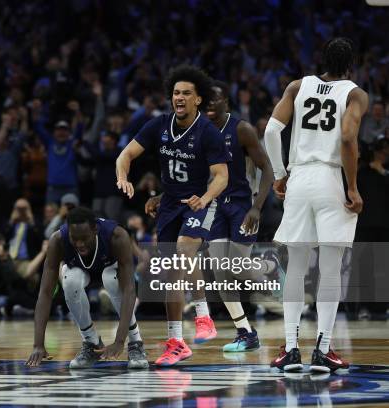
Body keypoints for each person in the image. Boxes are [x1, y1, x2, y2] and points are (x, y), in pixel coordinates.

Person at [264, 38, 368, 372]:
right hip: (329, 178)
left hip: (299, 178)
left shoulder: (298, 86)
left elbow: (270, 131)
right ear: (352, 65)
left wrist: (280, 174)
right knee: (331, 267)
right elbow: (348, 137)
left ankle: (291, 349)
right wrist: (352, 187)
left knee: (295, 266)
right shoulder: (355, 94)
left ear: (321, 61)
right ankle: (323, 350)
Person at [115, 65, 229, 366]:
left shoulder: (208, 132)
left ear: (198, 100)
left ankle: (204, 317)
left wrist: (204, 198)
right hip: (169, 204)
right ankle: (176, 342)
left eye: (186, 93)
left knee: (182, 252)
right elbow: (124, 155)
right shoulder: (158, 126)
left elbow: (221, 176)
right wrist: (123, 177)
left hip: (201, 201)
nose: (179, 97)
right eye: (176, 92)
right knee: (171, 276)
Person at [203, 80, 277, 352]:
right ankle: (245, 331)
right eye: (206, 98)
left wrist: (257, 206)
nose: (210, 102)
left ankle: (267, 273)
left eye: (216, 98)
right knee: (221, 272)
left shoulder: (241, 129)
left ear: (227, 102)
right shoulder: (198, 131)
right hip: (214, 206)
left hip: (241, 205)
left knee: (235, 266)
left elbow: (266, 168)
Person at [26, 207, 148, 369]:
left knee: (110, 279)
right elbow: (46, 292)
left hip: (110, 270)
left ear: (95, 230)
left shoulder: (117, 236)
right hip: (81, 272)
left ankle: (135, 343)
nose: (79, 244)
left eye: (84, 238)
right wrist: (38, 344)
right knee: (69, 280)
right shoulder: (57, 240)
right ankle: (91, 342)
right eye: (74, 238)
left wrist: (119, 340)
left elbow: (129, 290)